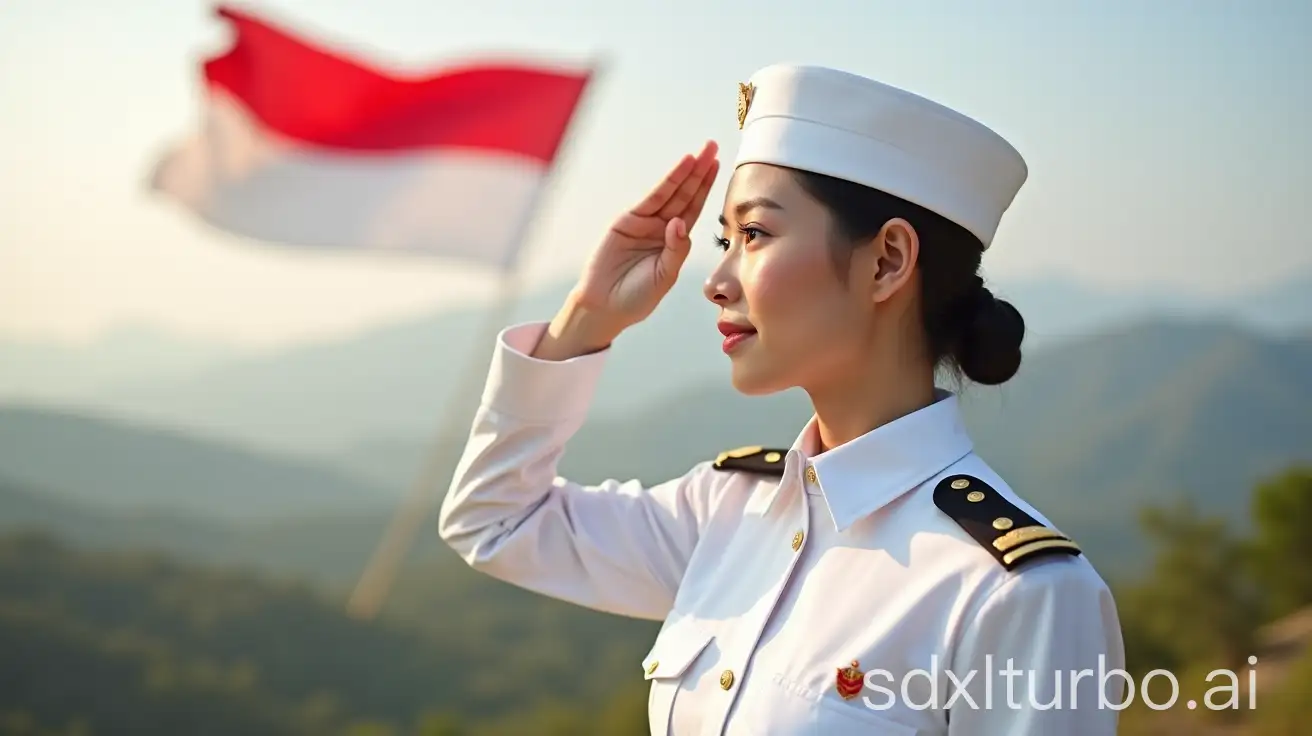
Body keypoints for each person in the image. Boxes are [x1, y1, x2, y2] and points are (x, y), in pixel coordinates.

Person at [438, 64, 1125, 735]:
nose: (715, 280)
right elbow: (495, 521)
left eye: (756, 234)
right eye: (723, 239)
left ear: (887, 260)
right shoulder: (728, 512)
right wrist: (586, 320)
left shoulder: (1016, 594)